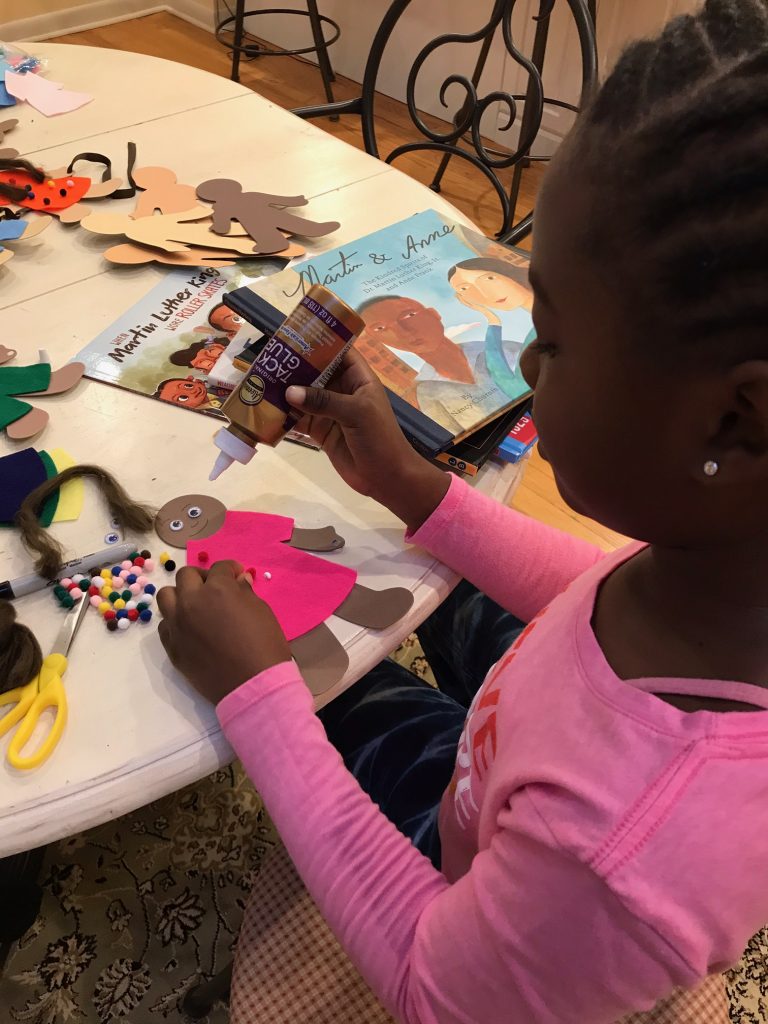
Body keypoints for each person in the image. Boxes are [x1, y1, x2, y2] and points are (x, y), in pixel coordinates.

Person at [156, 3, 768, 1021]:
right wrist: (413, 487)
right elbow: (589, 593)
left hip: (478, 879)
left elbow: (429, 987)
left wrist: (260, 696)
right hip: (521, 759)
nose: (524, 368)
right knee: (361, 632)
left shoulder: (618, 850)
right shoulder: (721, 572)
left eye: (553, 340)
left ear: (736, 423)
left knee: (298, 682)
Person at [358, 294, 526, 434]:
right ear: (378, 340)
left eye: (408, 315)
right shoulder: (426, 394)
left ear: (433, 314)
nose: (402, 331)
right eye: (380, 328)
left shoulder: (508, 349)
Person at [447, 256, 537, 398]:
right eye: (465, 288)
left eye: (489, 278)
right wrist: (491, 319)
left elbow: (517, 390)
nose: (484, 293)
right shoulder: (538, 329)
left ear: (507, 272)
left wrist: (492, 321)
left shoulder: (540, 332)